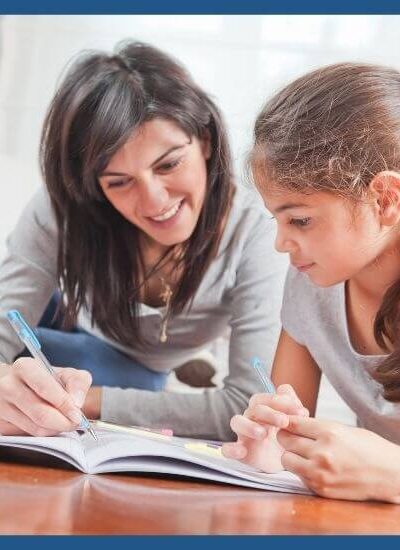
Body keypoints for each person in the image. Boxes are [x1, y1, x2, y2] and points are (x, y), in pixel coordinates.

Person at [0, 41, 287, 440]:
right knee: (32, 348)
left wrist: (76, 400)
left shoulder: (258, 231)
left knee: (105, 370)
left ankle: (176, 364)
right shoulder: (66, 205)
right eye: (119, 182)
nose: (154, 201)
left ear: (204, 139)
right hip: (61, 305)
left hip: (131, 362)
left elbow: (247, 406)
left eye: (169, 164)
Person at [223, 62, 400, 503]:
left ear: (385, 198)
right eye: (277, 220)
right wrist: (268, 449)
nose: (283, 243)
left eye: (300, 220)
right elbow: (287, 435)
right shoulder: (311, 281)